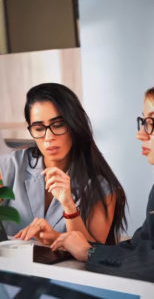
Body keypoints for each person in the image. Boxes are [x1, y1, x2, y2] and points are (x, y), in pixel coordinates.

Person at [50, 86, 154, 282]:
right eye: (144, 122)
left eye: (152, 122)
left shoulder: (103, 185)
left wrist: (90, 252)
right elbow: (140, 245)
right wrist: (79, 245)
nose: (141, 134)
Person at [0, 83, 127, 244]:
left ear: (74, 124)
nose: (48, 137)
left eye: (58, 125)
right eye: (39, 128)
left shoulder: (101, 187)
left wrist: (68, 205)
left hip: (67, 270)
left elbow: (93, 253)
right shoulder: (10, 166)